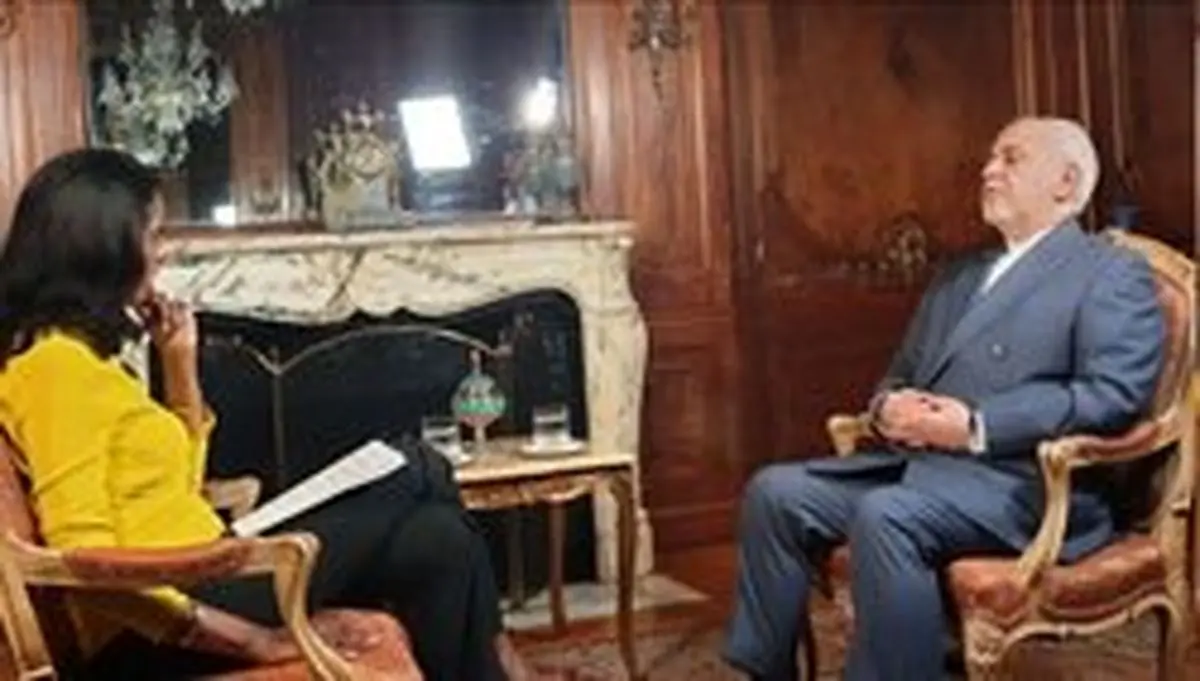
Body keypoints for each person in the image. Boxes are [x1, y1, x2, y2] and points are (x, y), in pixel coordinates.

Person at [0, 148, 521, 680]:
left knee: (438, 539)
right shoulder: (55, 369)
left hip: (206, 563)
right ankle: (508, 662)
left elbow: (177, 488)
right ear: (102, 249)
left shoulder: (83, 359)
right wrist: (251, 639)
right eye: (152, 236)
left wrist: (179, 363)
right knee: (418, 465)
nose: (162, 254)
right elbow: (83, 559)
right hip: (158, 619)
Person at [722, 116, 1167, 681]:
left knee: (887, 515)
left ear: (1066, 182)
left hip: (1026, 488)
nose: (989, 171)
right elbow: (899, 375)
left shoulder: (1108, 273)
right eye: (991, 158)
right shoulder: (960, 274)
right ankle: (766, 673)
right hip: (922, 468)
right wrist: (887, 409)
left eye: (1011, 158)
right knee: (774, 493)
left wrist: (977, 425)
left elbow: (1113, 395)